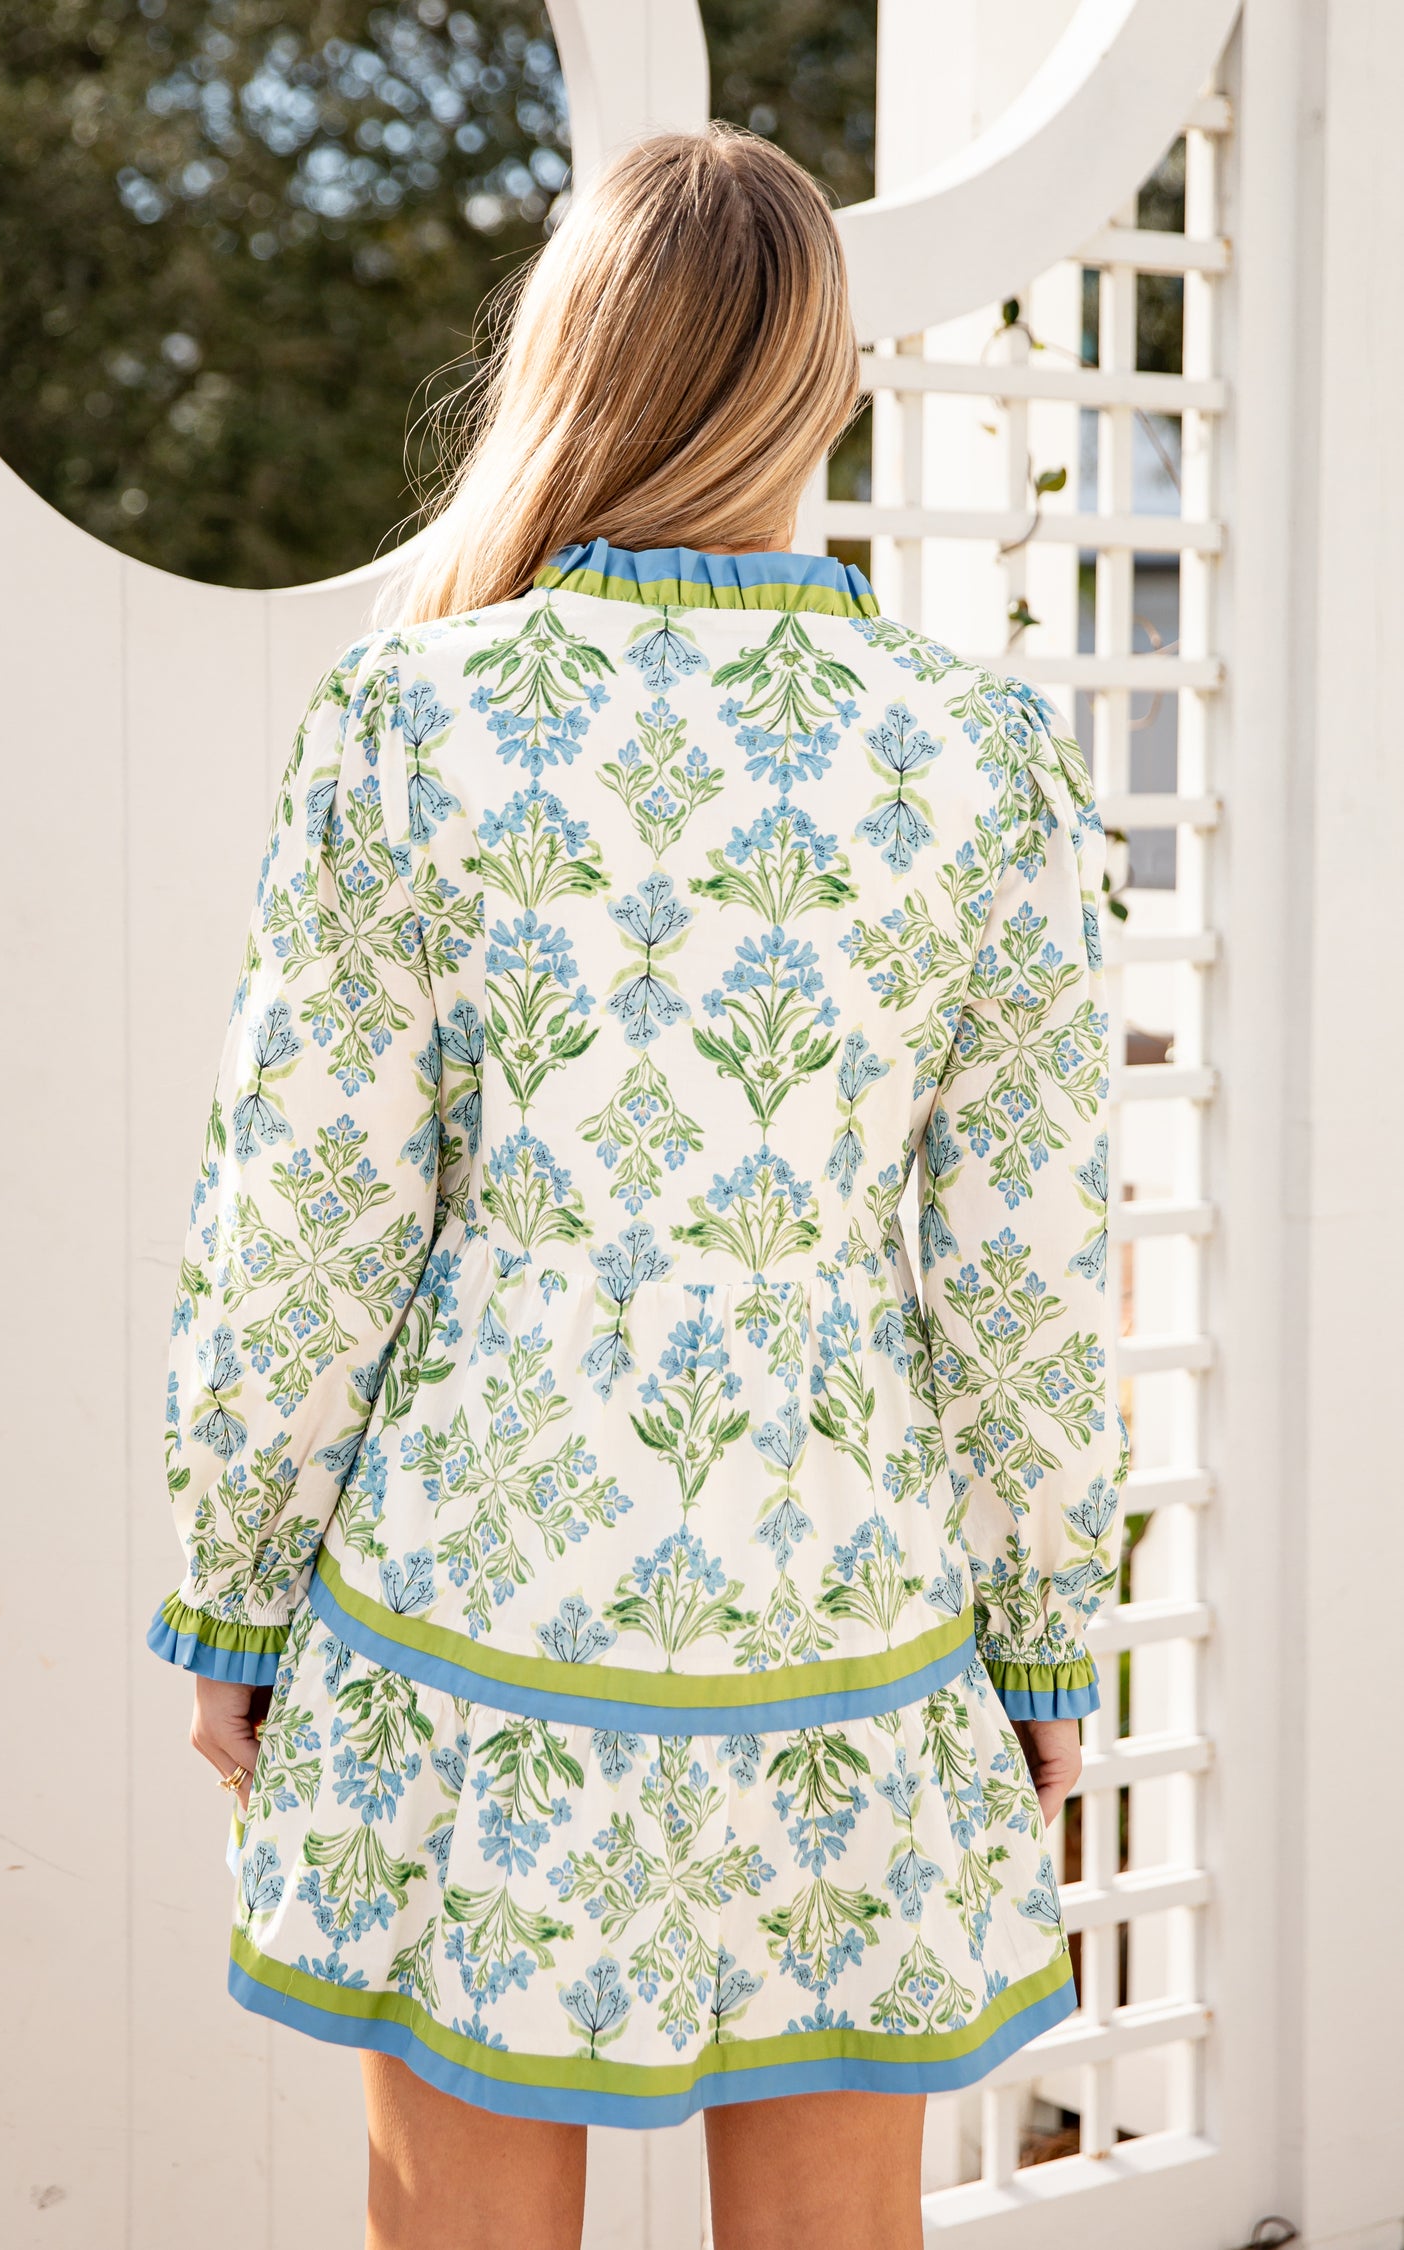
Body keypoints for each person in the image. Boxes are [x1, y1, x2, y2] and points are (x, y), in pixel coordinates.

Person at [148, 125, 1123, 2250]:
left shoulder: (413, 722)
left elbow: (304, 1216)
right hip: (846, 1618)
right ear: (825, 388)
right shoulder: (982, 756)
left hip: (475, 1614)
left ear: (563, 365)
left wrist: (233, 1586)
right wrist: (1046, 1645)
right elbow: (1032, 1271)